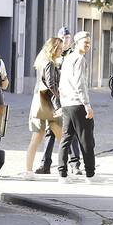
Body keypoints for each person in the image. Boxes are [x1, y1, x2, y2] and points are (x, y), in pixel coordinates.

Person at [37, 26, 79, 176]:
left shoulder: (73, 55)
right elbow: (51, 83)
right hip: (56, 99)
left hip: (67, 97)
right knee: (52, 132)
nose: (65, 41)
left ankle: (75, 163)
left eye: (67, 38)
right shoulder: (53, 59)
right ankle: (46, 163)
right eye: (62, 39)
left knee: (70, 131)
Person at [22, 37, 64, 178]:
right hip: (48, 104)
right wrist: (58, 102)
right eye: (60, 48)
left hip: (39, 103)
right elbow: (51, 85)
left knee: (37, 138)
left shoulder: (42, 61)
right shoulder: (50, 63)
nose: (62, 50)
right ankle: (66, 170)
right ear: (54, 48)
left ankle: (28, 171)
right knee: (62, 137)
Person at [58, 30, 97, 182]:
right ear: (77, 43)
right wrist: (86, 104)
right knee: (86, 139)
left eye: (89, 42)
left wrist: (63, 102)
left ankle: (62, 173)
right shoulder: (79, 59)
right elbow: (79, 83)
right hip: (77, 103)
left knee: (66, 138)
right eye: (85, 42)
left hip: (68, 104)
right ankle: (90, 174)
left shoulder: (67, 58)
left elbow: (62, 83)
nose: (87, 45)